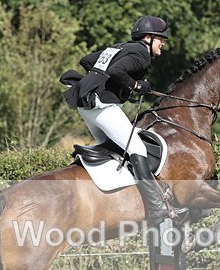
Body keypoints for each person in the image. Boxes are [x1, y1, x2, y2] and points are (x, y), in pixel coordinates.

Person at [61, 15, 187, 225]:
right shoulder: (142, 54)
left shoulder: (120, 47)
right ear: (148, 37)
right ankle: (156, 208)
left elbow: (87, 61)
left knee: (113, 149)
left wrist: (99, 80)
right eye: (160, 39)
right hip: (102, 107)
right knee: (137, 148)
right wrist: (136, 85)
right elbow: (116, 71)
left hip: (88, 107)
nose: (163, 43)